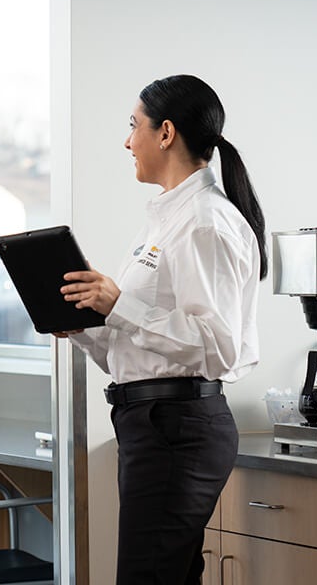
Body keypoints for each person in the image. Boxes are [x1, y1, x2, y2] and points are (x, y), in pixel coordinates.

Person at [55, 75, 266, 585]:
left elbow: (217, 347)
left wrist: (120, 304)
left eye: (134, 126)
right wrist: (83, 323)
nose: (128, 141)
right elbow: (139, 349)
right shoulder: (164, 221)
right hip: (153, 421)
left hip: (179, 427)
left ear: (166, 132)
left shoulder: (203, 223)